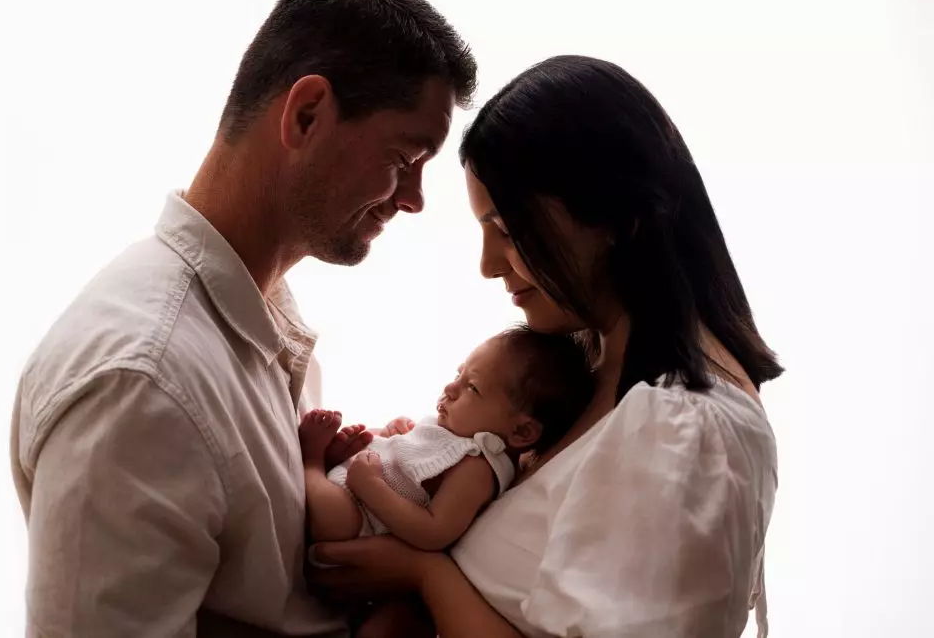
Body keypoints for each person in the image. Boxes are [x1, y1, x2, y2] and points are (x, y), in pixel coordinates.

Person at [9, 0, 476, 638]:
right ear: (307, 114)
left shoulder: (256, 323)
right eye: (405, 160)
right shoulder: (144, 380)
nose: (414, 200)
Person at [308, 55, 782, 638]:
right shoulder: (590, 373)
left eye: (508, 231)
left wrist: (426, 575)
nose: (488, 265)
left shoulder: (690, 427)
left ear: (615, 216)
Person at [299, 326, 594, 637]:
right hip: (356, 497)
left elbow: (433, 531)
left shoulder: (479, 467)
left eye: (472, 388)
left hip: (360, 527)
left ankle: (311, 462)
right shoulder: (458, 432)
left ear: (521, 432)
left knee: (334, 521)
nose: (450, 388)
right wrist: (390, 436)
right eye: (458, 374)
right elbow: (412, 461)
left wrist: (370, 486)